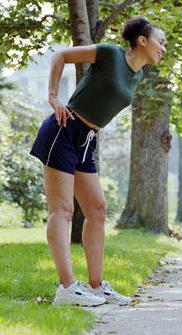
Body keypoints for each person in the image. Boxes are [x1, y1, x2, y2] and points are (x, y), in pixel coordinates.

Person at [30, 16, 166, 306]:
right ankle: (66, 289)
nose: (163, 48)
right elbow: (61, 55)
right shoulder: (110, 53)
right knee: (63, 210)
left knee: (97, 210)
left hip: (87, 138)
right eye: (160, 42)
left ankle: (95, 286)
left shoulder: (138, 75)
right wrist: (54, 97)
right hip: (63, 129)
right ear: (142, 40)